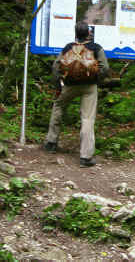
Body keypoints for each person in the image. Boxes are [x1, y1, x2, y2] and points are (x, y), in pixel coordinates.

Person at [43, 21, 109, 167]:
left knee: (58, 107)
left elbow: (56, 67)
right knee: (87, 118)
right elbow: (105, 68)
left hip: (69, 85)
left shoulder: (68, 47)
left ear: (76, 34)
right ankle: (85, 157)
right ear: (88, 33)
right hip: (89, 87)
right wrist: (96, 79)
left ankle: (51, 142)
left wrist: (58, 85)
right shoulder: (96, 48)